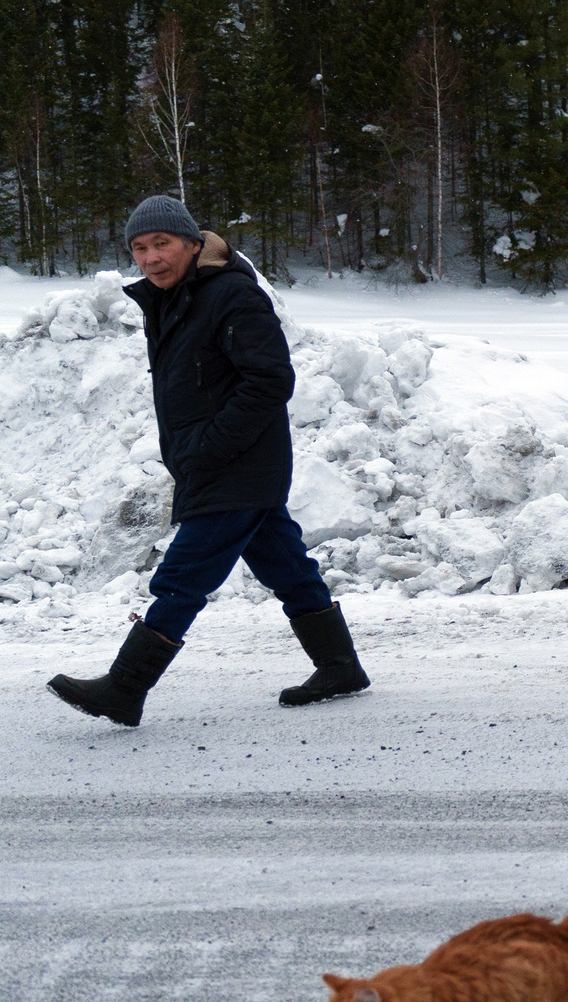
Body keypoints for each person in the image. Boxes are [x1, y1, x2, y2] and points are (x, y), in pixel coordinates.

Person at [49, 195, 371, 725]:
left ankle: (125, 687)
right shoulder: (175, 300)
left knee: (182, 576)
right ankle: (339, 667)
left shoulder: (230, 296)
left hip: (235, 463)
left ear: (193, 243)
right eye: (139, 248)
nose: (150, 258)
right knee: (286, 566)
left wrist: (210, 447)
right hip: (226, 463)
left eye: (162, 244)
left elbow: (270, 380)